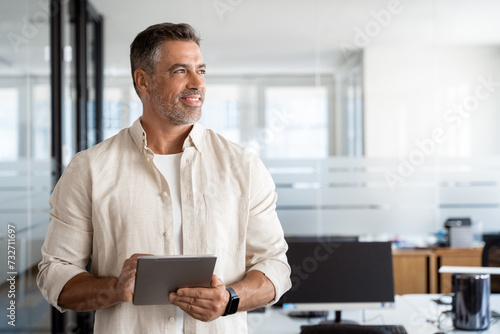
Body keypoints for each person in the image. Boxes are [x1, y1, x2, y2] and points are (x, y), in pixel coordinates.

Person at [37, 22, 291, 333]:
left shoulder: (244, 167)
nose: (197, 83)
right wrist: (114, 288)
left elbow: (276, 266)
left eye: (201, 70)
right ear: (143, 81)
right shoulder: (89, 169)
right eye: (180, 71)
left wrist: (230, 298)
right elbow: (54, 274)